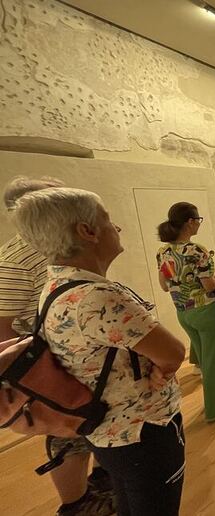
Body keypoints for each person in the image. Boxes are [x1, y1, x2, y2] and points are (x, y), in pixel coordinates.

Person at [14, 187, 187, 516]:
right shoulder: (98, 296)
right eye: (108, 220)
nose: (115, 227)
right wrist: (160, 367)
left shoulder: (57, 284)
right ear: (87, 231)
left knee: (129, 502)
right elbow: (173, 352)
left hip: (104, 430)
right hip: (142, 430)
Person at [1, 177, 116, 516]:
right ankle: (77, 502)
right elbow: (4, 332)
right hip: (54, 365)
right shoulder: (15, 260)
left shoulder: (57, 247)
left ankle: (102, 479)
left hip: (84, 357)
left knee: (94, 422)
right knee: (69, 428)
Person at [157, 203, 215, 421]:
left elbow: (164, 286)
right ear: (190, 222)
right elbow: (208, 285)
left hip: (183, 312)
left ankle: (207, 386)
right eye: (198, 220)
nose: (198, 224)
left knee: (205, 356)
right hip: (206, 311)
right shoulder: (196, 251)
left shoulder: (163, 251)